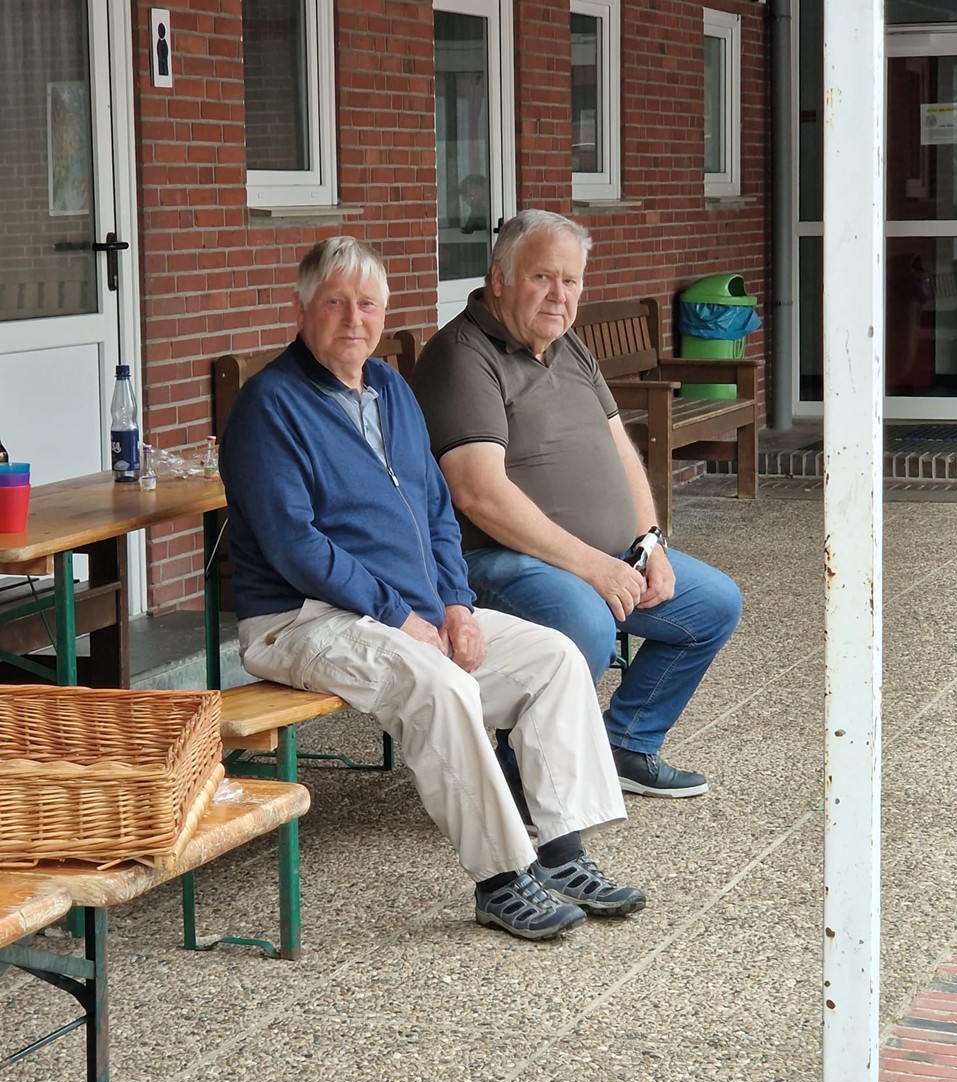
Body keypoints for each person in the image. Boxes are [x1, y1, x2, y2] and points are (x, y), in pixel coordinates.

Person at [218, 235, 646, 943]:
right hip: (300, 619)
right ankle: (501, 881)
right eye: (335, 303)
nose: (353, 319)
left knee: (555, 659)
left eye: (368, 304)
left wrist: (455, 606)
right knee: (440, 686)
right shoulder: (270, 405)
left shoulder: (390, 389)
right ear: (302, 308)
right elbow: (297, 546)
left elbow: (437, 510)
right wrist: (401, 617)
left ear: (384, 314)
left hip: (408, 610)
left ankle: (563, 854)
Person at [411, 209, 742, 801]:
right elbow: (479, 493)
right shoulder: (462, 355)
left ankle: (626, 745)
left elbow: (621, 449)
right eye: (542, 277)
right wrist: (593, 567)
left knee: (713, 604)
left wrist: (650, 544)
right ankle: (519, 777)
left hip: (600, 557)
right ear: (499, 279)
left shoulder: (568, 346)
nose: (558, 295)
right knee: (583, 623)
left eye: (570, 281)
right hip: (493, 560)